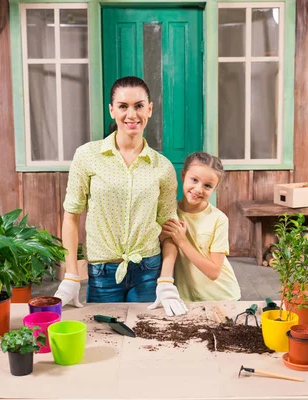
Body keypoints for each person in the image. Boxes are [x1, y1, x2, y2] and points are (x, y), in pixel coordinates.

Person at [54, 76, 188, 317]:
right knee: (104, 336)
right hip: (102, 273)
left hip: (148, 270)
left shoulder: (163, 167)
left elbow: (169, 229)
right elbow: (71, 216)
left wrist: (165, 279)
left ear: (149, 109)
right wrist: (72, 274)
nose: (131, 114)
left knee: (147, 341)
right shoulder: (87, 156)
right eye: (123, 106)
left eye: (138, 106)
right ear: (112, 110)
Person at [162, 152, 241, 302]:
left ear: (215, 188)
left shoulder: (218, 219)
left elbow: (214, 272)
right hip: (186, 298)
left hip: (222, 297)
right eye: (194, 180)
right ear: (183, 175)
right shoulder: (169, 212)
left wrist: (182, 242)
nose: (198, 189)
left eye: (207, 186)